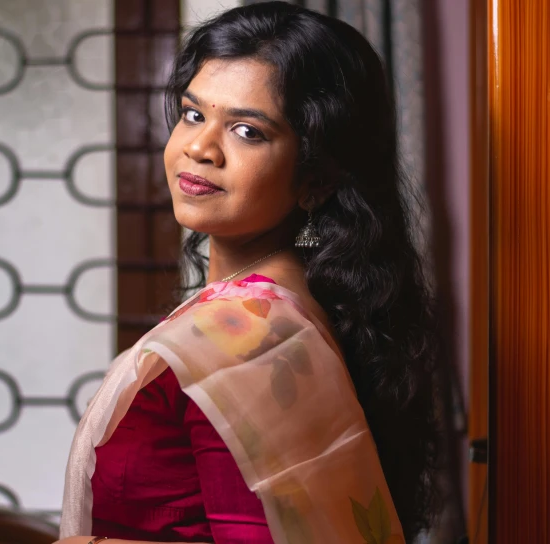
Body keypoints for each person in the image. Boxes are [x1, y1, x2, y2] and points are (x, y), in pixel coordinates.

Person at [57, 2, 438, 543]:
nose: (199, 148)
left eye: (247, 131)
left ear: (317, 180)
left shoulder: (251, 341)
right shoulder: (295, 307)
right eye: (193, 114)